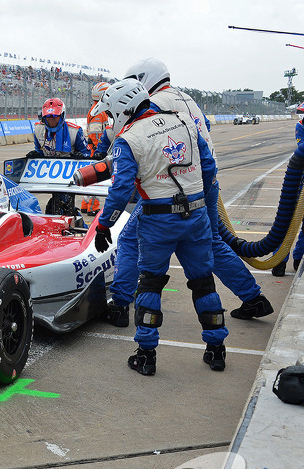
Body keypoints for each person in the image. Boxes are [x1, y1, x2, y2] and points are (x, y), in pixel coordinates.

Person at [101, 57, 272, 328]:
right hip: (203, 182)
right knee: (212, 243)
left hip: (171, 193)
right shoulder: (186, 98)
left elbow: (135, 146)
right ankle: (253, 297)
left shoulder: (153, 105)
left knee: (130, 240)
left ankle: (121, 303)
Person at [92, 78, 228, 375]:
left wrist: (104, 225)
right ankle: (217, 349)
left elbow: (121, 189)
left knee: (151, 283)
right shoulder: (183, 121)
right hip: (196, 216)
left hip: (158, 220)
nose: (110, 120)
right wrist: (199, 204)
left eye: (111, 114)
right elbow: (209, 167)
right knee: (204, 282)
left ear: (122, 109)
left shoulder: (128, 139)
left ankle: (146, 354)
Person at [271, 90, 304, 276]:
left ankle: (299, 258)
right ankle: (278, 260)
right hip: (301, 176)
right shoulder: (301, 127)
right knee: (287, 220)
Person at [82, 82, 110, 215]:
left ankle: (85, 205)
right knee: (97, 180)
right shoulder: (99, 111)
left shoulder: (97, 109)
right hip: (97, 152)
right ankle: (93, 207)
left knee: (91, 179)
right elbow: (96, 134)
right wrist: (100, 151)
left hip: (94, 150)